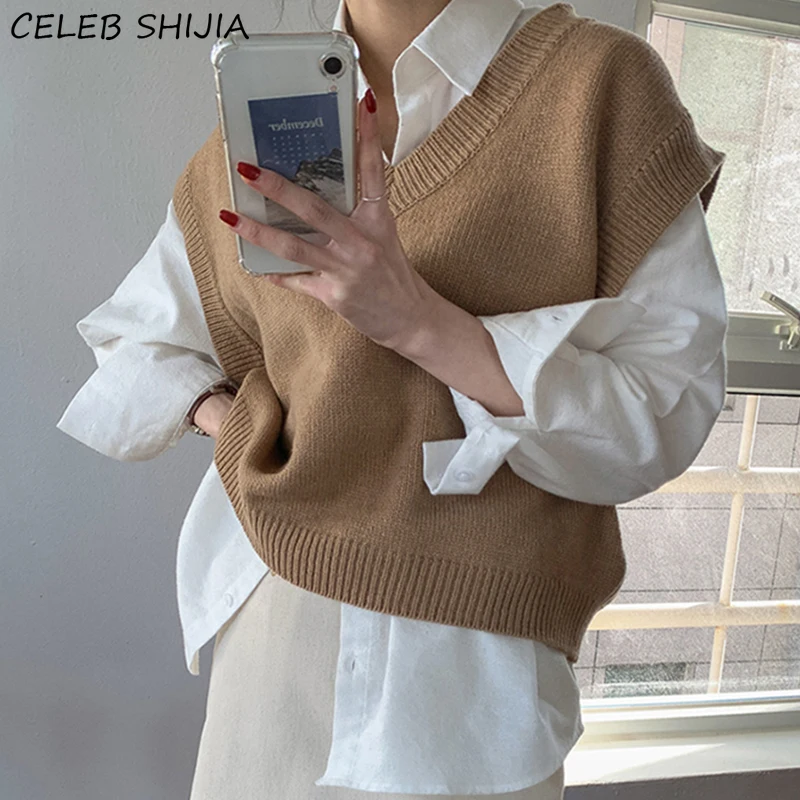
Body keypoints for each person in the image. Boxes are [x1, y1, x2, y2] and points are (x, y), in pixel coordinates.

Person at [56, 1, 729, 798]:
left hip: (472, 678)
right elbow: (137, 339)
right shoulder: (262, 118)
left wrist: (418, 320)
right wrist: (232, 422)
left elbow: (661, 409)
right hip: (272, 635)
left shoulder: (600, 87)